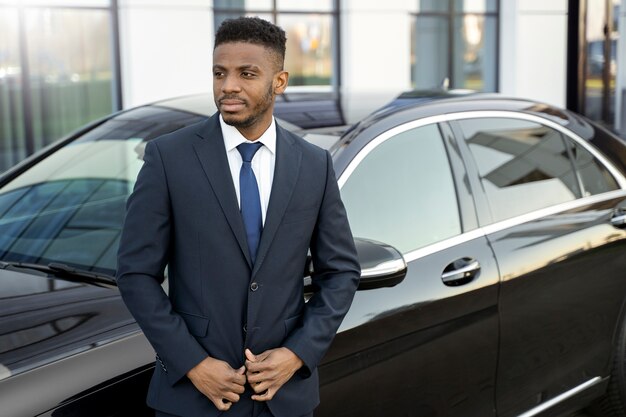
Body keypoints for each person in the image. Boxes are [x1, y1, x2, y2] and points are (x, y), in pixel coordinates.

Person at [116, 16, 360, 417]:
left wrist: (298, 353)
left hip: (283, 399)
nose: (228, 85)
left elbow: (341, 273)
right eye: (219, 73)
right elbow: (134, 273)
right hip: (193, 399)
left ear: (279, 82)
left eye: (247, 74)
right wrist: (192, 363)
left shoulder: (313, 165)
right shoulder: (168, 158)